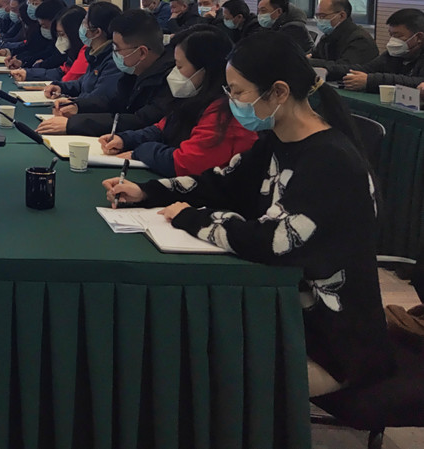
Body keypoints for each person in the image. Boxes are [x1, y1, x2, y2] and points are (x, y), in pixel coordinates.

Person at [104, 31, 394, 395]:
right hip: (282, 313)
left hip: (330, 344)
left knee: (189, 371)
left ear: (278, 92)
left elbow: (274, 240)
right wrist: (148, 192)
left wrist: (191, 218)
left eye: (238, 93)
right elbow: (221, 182)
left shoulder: (330, 161)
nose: (232, 102)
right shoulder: (278, 139)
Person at [99, 26, 257, 177]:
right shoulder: (192, 98)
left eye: (179, 66)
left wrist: (141, 151)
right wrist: (125, 139)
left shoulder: (225, 113)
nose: (174, 73)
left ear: (204, 70)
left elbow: (186, 163)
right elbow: (162, 128)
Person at [43, 8, 175, 136]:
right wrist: (77, 106)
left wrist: (74, 124)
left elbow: (139, 121)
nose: (114, 54)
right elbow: (113, 103)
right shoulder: (134, 72)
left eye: (117, 49)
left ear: (141, 52)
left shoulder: (169, 82)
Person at [41, 1, 122, 114]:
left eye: (84, 22)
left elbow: (99, 99)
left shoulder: (113, 60)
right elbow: (82, 83)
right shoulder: (94, 54)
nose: (81, 26)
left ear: (97, 32)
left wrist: (75, 104)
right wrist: (61, 88)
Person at [319, 7, 424, 92]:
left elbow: (417, 81)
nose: (393, 40)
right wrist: (328, 71)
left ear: (419, 37)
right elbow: (366, 69)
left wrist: (370, 81)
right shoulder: (393, 54)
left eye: (398, 36)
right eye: (391, 35)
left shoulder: (359, 38)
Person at [10, 1, 82, 82]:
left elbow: (67, 78)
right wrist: (27, 73)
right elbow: (61, 71)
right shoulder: (71, 53)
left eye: (62, 34)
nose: (59, 39)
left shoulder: (84, 54)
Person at [308, 0, 379, 67]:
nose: (319, 20)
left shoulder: (359, 40)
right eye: (317, 16)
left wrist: (312, 62)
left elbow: (345, 67)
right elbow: (314, 56)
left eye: (322, 16)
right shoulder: (327, 37)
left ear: (342, 16)